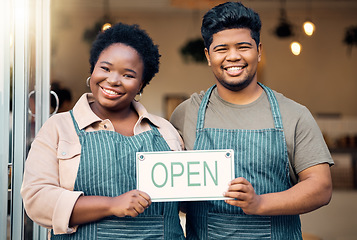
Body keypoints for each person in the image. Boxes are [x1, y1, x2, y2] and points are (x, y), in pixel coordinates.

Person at [170, 2, 333, 239]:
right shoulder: (186, 113)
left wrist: (259, 203)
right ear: (208, 55)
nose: (233, 56)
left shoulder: (294, 114)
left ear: (258, 50)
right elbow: (176, 191)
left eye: (243, 46)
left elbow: (321, 187)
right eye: (221, 49)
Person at [21, 23, 185, 239]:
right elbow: (37, 200)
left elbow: (185, 199)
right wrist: (111, 205)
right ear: (93, 69)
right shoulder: (59, 128)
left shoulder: (165, 131)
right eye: (105, 68)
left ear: (141, 84)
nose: (113, 80)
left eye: (128, 75)